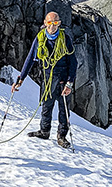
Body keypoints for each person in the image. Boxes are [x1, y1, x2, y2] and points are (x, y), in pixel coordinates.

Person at [12, 11, 77, 149]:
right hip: (47, 77)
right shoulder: (40, 38)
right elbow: (30, 59)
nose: (53, 26)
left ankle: (61, 136)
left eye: (55, 23)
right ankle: (44, 131)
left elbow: (73, 62)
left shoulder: (65, 39)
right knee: (46, 106)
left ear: (59, 23)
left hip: (62, 78)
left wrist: (69, 83)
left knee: (63, 109)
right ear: (45, 23)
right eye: (50, 23)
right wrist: (21, 78)